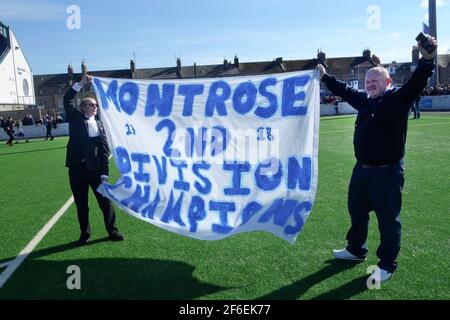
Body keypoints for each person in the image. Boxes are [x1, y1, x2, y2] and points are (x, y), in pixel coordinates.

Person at [317, 35, 437, 282]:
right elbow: (344, 89)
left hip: (388, 172)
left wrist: (427, 59)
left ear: (388, 81)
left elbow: (418, 80)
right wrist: (324, 76)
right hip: (361, 170)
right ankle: (356, 249)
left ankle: (387, 264)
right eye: (367, 81)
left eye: (375, 80)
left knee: (388, 220)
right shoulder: (363, 100)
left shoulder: (399, 99)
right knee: (357, 211)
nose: (369, 84)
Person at [63, 74, 124, 245]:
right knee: (81, 205)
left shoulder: (101, 125)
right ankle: (85, 233)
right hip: (76, 170)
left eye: (96, 105)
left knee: (105, 202)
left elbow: (104, 152)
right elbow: (67, 99)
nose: (95, 107)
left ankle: (113, 231)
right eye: (91, 104)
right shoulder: (75, 118)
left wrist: (104, 174)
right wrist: (81, 83)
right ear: (82, 107)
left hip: (95, 171)